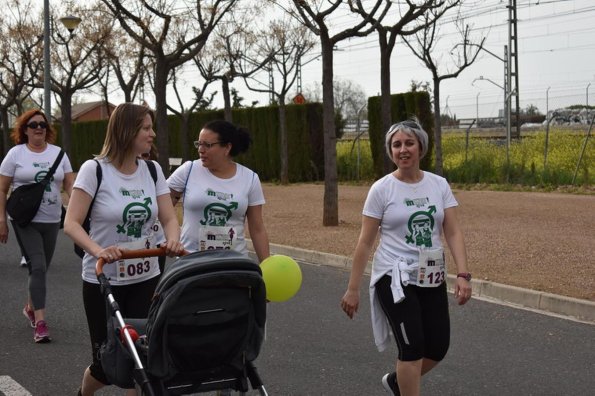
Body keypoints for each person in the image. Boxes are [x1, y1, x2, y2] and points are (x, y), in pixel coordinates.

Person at [340, 118, 472, 396]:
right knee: (411, 349)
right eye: (396, 144)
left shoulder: (438, 184)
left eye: (409, 143)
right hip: (395, 277)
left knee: (437, 347)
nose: (403, 149)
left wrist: (462, 274)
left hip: (431, 275)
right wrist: (353, 288)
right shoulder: (382, 189)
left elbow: (453, 232)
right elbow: (365, 242)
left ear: (420, 147)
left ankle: (397, 383)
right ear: (390, 151)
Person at [64, 103, 184, 396]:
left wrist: (172, 239)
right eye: (146, 128)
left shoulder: (153, 170)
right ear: (126, 130)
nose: (152, 134)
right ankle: (84, 393)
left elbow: (169, 217)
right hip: (104, 280)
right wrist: (99, 250)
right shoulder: (95, 170)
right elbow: (72, 223)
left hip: (146, 276)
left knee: (141, 358)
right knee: (107, 363)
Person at [0, 109, 74, 343]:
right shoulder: (16, 154)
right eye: (33, 125)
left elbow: (71, 187)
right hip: (24, 221)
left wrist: (77, 213)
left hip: (52, 220)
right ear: (25, 129)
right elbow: (2, 189)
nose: (39, 128)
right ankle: (41, 323)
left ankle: (31, 306)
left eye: (42, 124)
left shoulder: (59, 154)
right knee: (38, 266)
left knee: (40, 268)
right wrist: (1, 220)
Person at [167, 119, 270, 263]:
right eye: (199, 144)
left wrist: (267, 265)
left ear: (227, 148)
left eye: (207, 145)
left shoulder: (250, 178)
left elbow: (257, 228)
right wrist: (171, 238)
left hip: (233, 264)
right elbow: (161, 210)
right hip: (190, 263)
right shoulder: (188, 170)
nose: (200, 150)